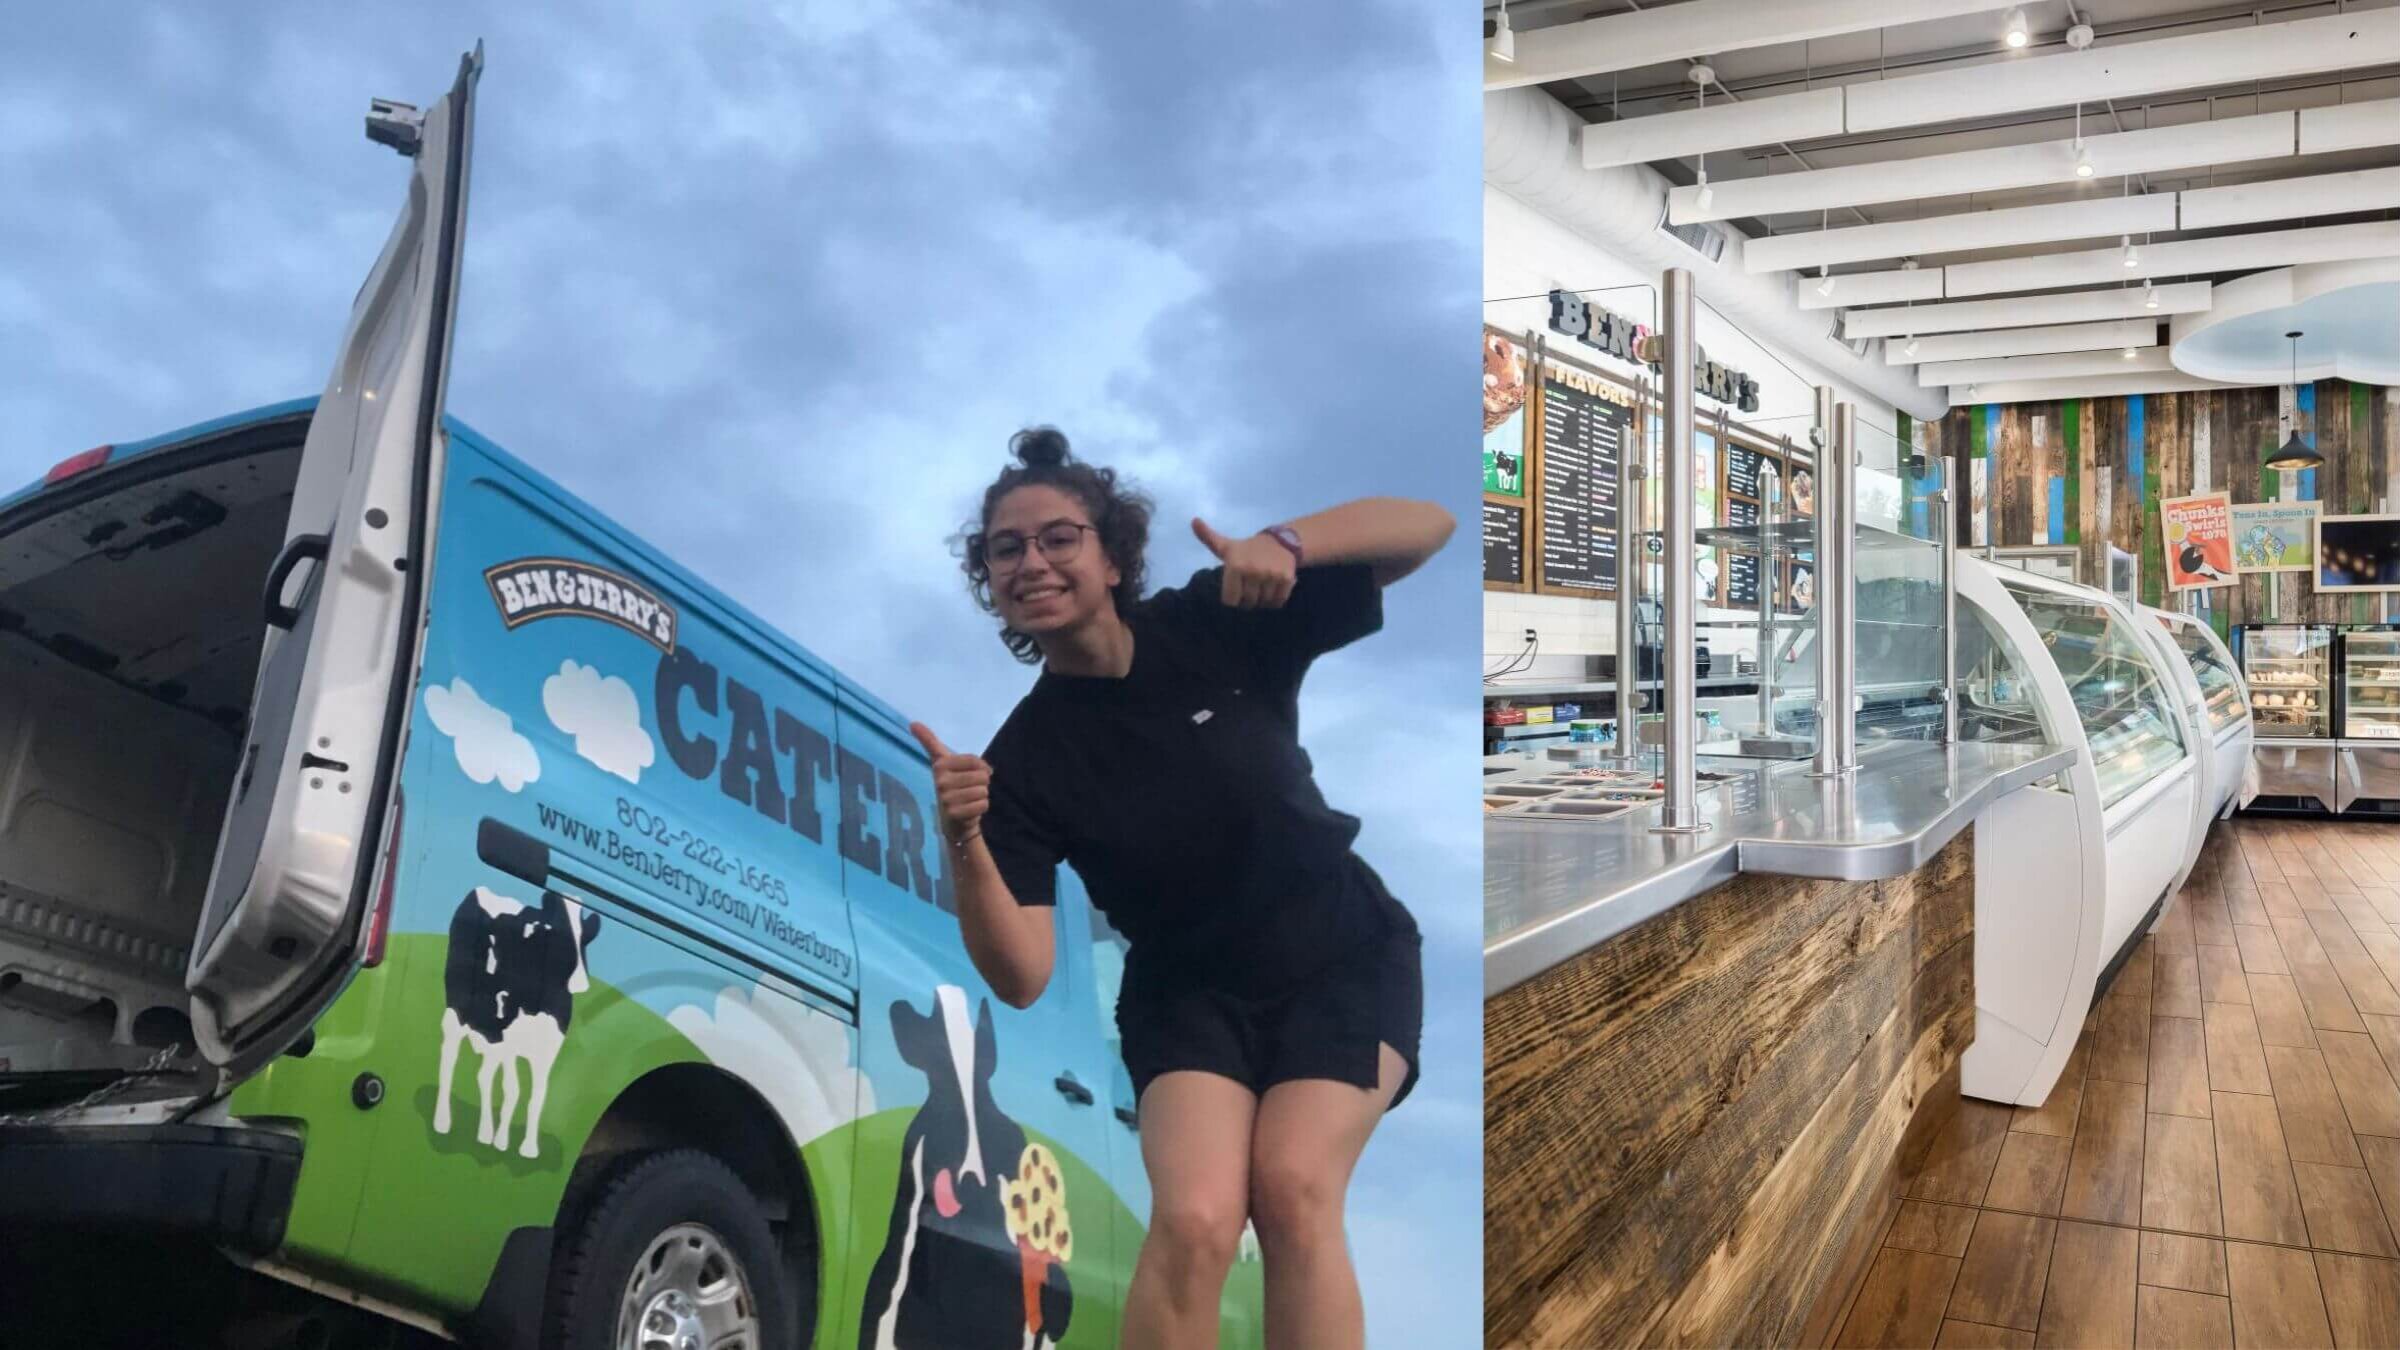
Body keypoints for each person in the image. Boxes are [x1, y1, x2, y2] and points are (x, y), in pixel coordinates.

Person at [908, 426, 1452, 1350]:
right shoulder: (1024, 763)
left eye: (1057, 538)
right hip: (1189, 992)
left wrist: (1284, 545)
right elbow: (1023, 973)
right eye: (1006, 550)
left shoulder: (1216, 622)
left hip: (1342, 954)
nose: (1031, 561)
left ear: (1113, 556)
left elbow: (1427, 525)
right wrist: (964, 839)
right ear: (990, 583)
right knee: (1198, 1219)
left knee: (1292, 1187)